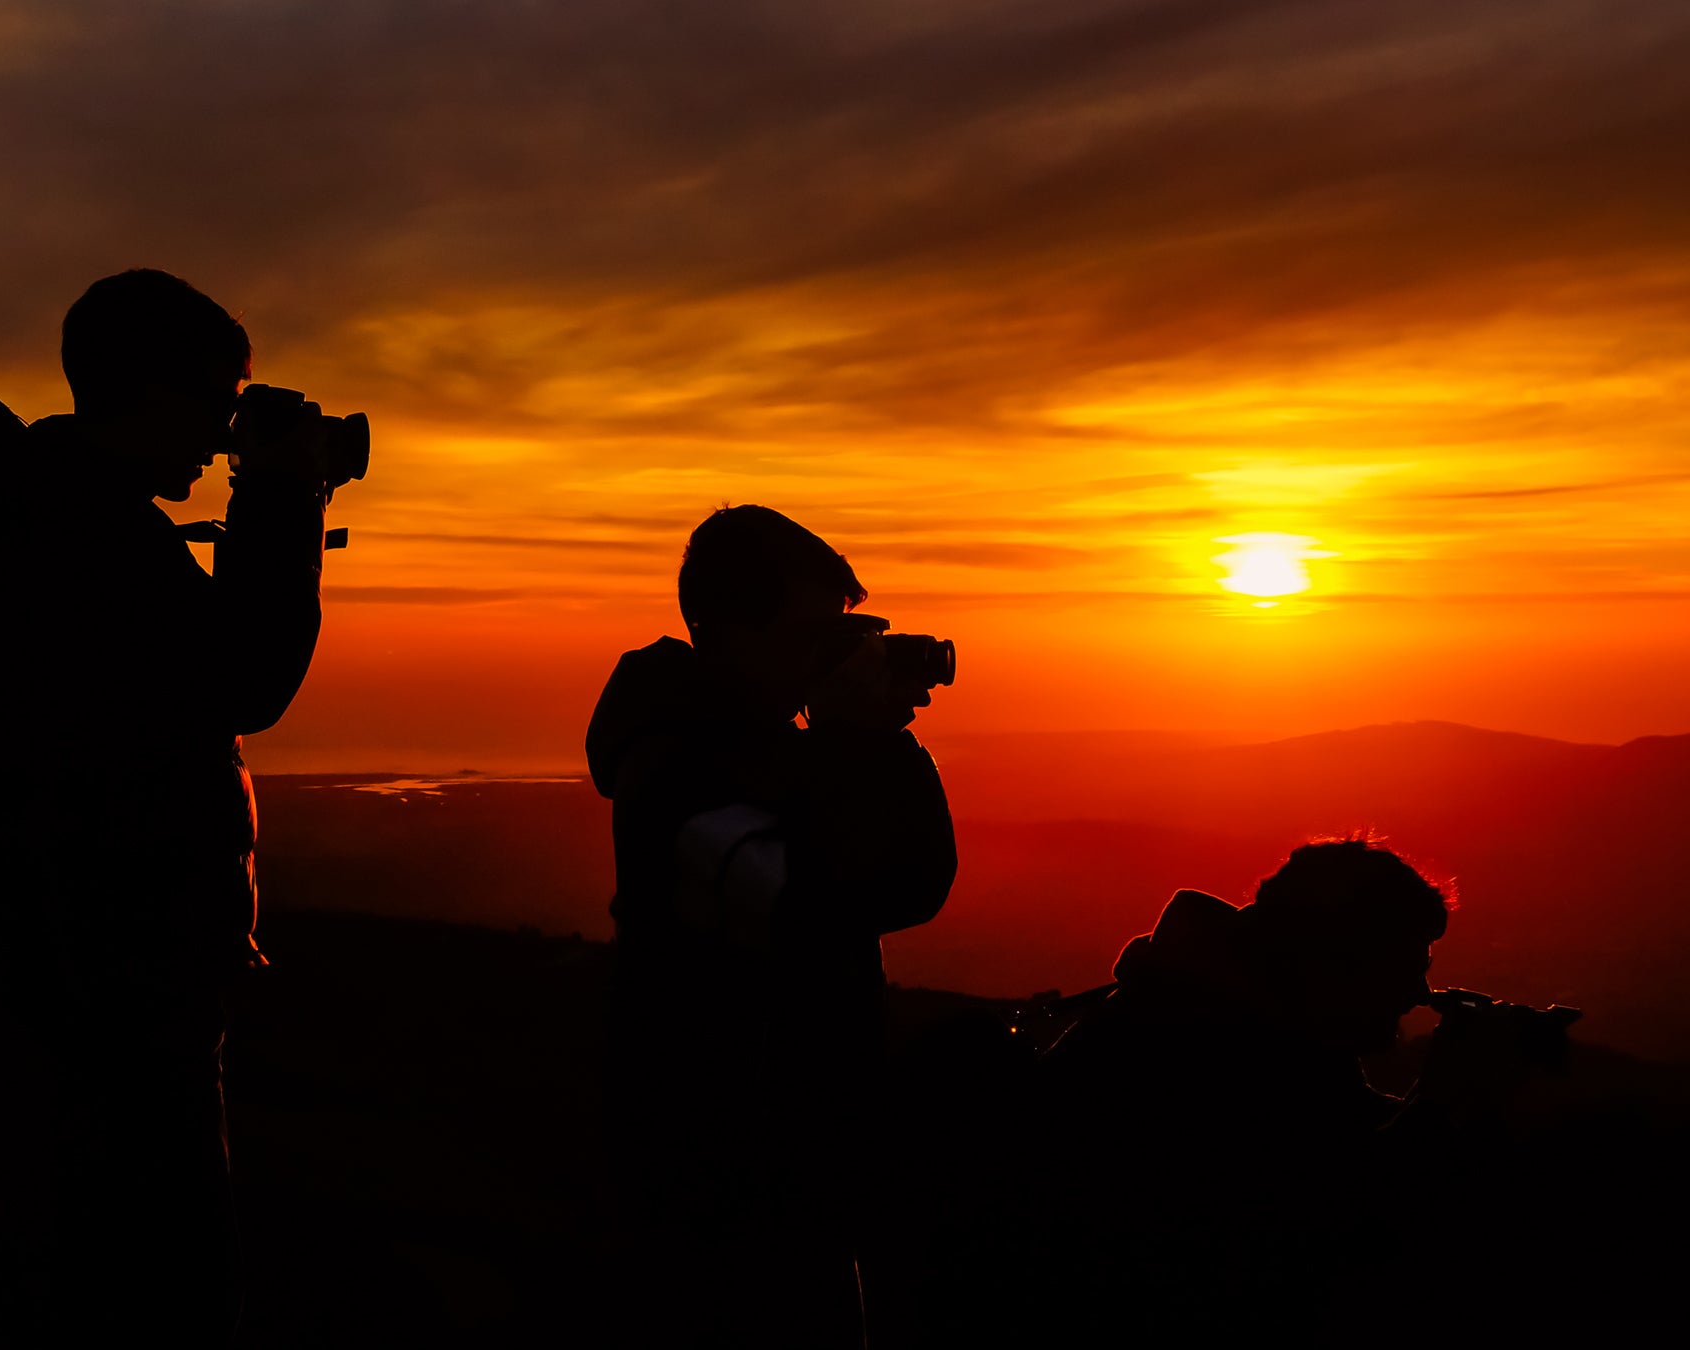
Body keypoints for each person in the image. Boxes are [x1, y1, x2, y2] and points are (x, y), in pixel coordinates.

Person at [0, 268, 337, 1343]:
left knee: (88, 1226)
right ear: (153, 391)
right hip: (123, 960)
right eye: (219, 402)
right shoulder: (90, 534)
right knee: (157, 1257)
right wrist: (285, 502)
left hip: (76, 946)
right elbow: (244, 682)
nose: (223, 438)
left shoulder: (49, 508)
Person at [585, 505, 958, 1347]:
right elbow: (872, 888)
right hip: (720, 1184)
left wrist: (859, 736)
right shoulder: (679, 769)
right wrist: (858, 738)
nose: (828, 659)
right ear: (731, 634)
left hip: (796, 1171)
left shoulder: (760, 750)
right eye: (809, 636)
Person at [1028, 837, 1570, 1345]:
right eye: (1403, 967)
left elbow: (1342, 1141)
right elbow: (1338, 1235)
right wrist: (1445, 1101)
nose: (1417, 994)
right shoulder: (1192, 1050)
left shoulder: (1269, 1031)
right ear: (1329, 959)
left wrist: (1463, 1097)